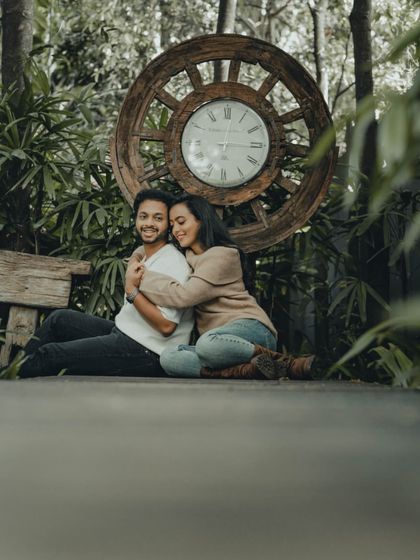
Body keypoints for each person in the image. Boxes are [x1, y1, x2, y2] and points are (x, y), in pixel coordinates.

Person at [133, 193, 313, 380]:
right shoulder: (187, 254)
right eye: (172, 225)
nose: (176, 230)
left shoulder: (223, 255)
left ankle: (285, 362)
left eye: (181, 222)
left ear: (201, 221)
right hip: (219, 344)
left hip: (250, 330)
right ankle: (247, 369)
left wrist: (140, 277)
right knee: (169, 357)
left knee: (207, 346)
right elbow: (143, 250)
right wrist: (134, 261)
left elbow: (182, 296)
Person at [18, 189, 194, 378]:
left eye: (158, 218)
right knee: (59, 320)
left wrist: (132, 291)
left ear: (169, 224)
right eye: (144, 216)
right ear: (136, 220)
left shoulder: (173, 263)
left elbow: (167, 326)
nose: (149, 223)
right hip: (126, 333)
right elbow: (139, 252)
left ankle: (9, 384)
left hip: (148, 352)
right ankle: (12, 372)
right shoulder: (148, 255)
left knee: (50, 355)